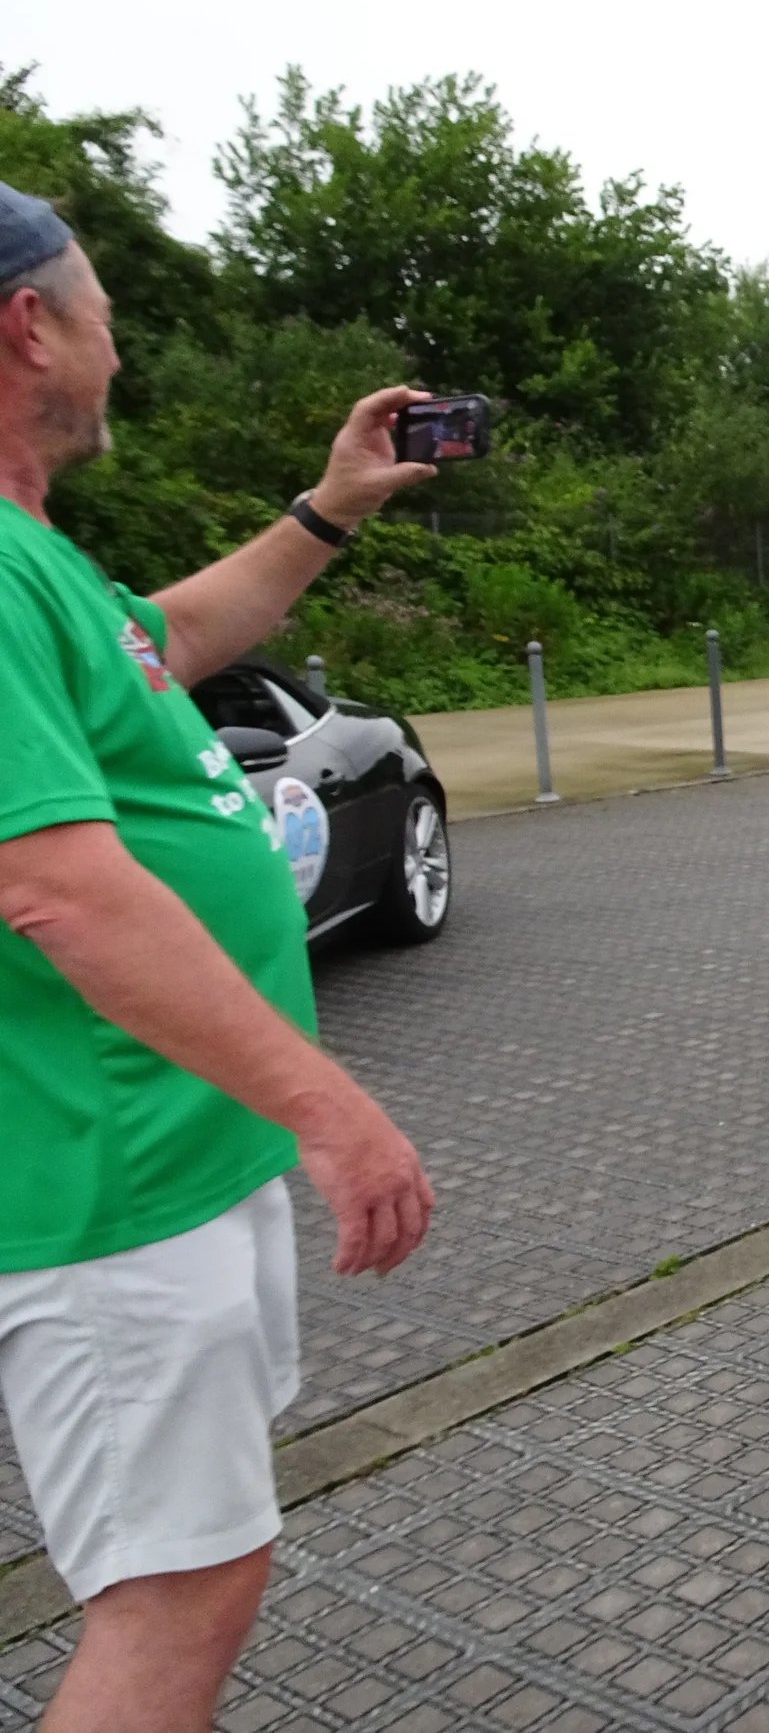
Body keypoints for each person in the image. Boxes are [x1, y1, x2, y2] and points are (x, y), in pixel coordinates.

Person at [0, 182, 437, 1732]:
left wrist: (332, 508)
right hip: (108, 1192)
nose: (119, 349)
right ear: (28, 324)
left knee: (200, 1562)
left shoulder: (33, 555)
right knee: (172, 1593)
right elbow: (56, 889)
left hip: (180, 1160)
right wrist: (332, 1105)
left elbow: (169, 642)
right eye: (105, 312)